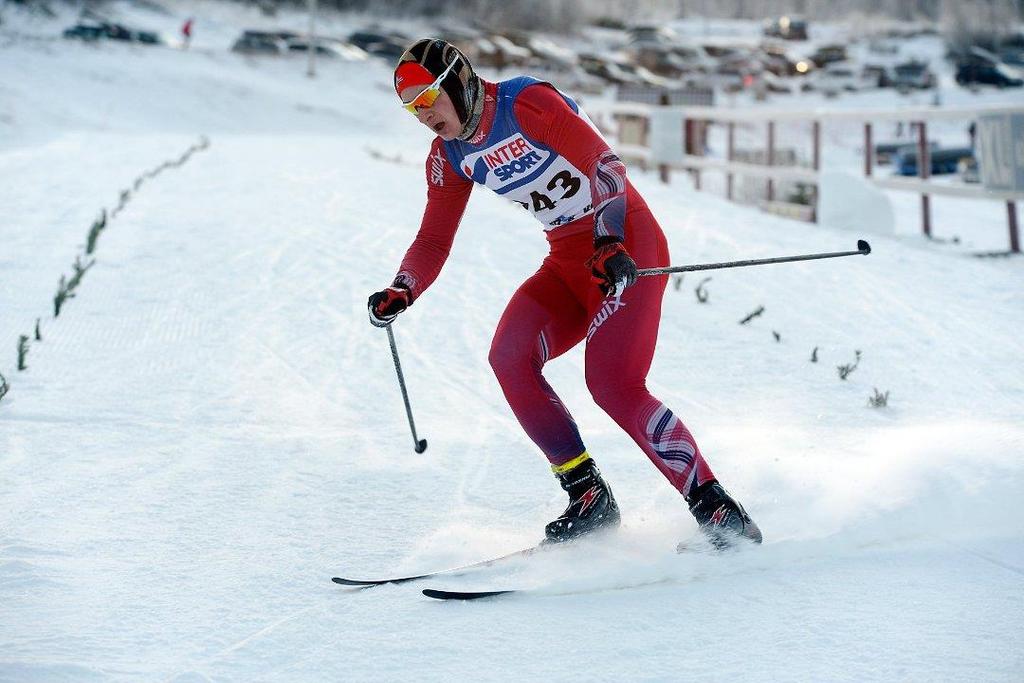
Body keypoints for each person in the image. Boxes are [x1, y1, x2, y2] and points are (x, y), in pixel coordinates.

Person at [368, 38, 761, 549]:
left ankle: (717, 511)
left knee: (613, 384)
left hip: (625, 243)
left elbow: (607, 169)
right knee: (509, 356)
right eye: (411, 108)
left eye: (427, 99)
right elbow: (434, 239)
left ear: (459, 83)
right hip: (568, 259)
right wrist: (403, 287)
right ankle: (588, 496)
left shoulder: (526, 103)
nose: (422, 115)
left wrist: (609, 238)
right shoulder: (447, 156)